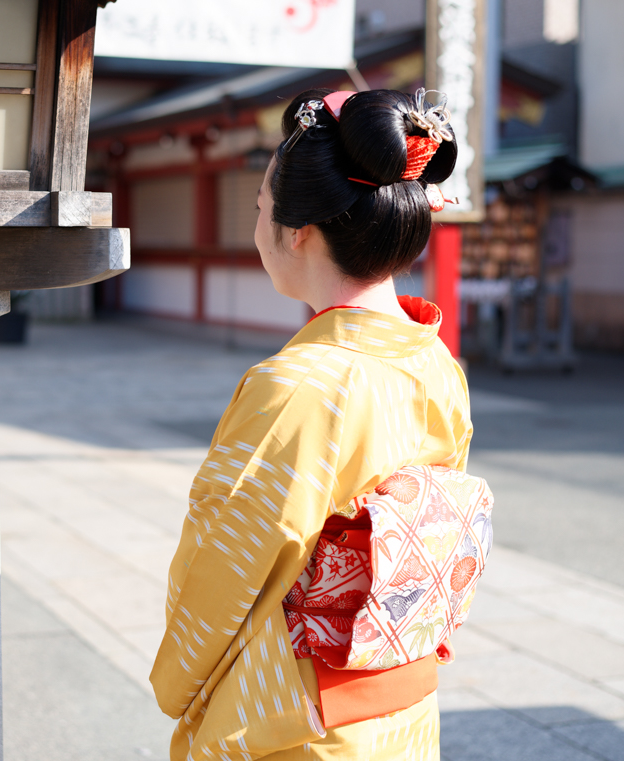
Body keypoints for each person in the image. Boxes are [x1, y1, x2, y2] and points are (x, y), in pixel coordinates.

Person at [150, 88, 474, 760]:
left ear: (299, 231)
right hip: (403, 704)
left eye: (263, 208)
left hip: (296, 719)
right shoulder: (434, 360)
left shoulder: (298, 386)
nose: (260, 222)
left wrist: (176, 683)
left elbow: (226, 563)